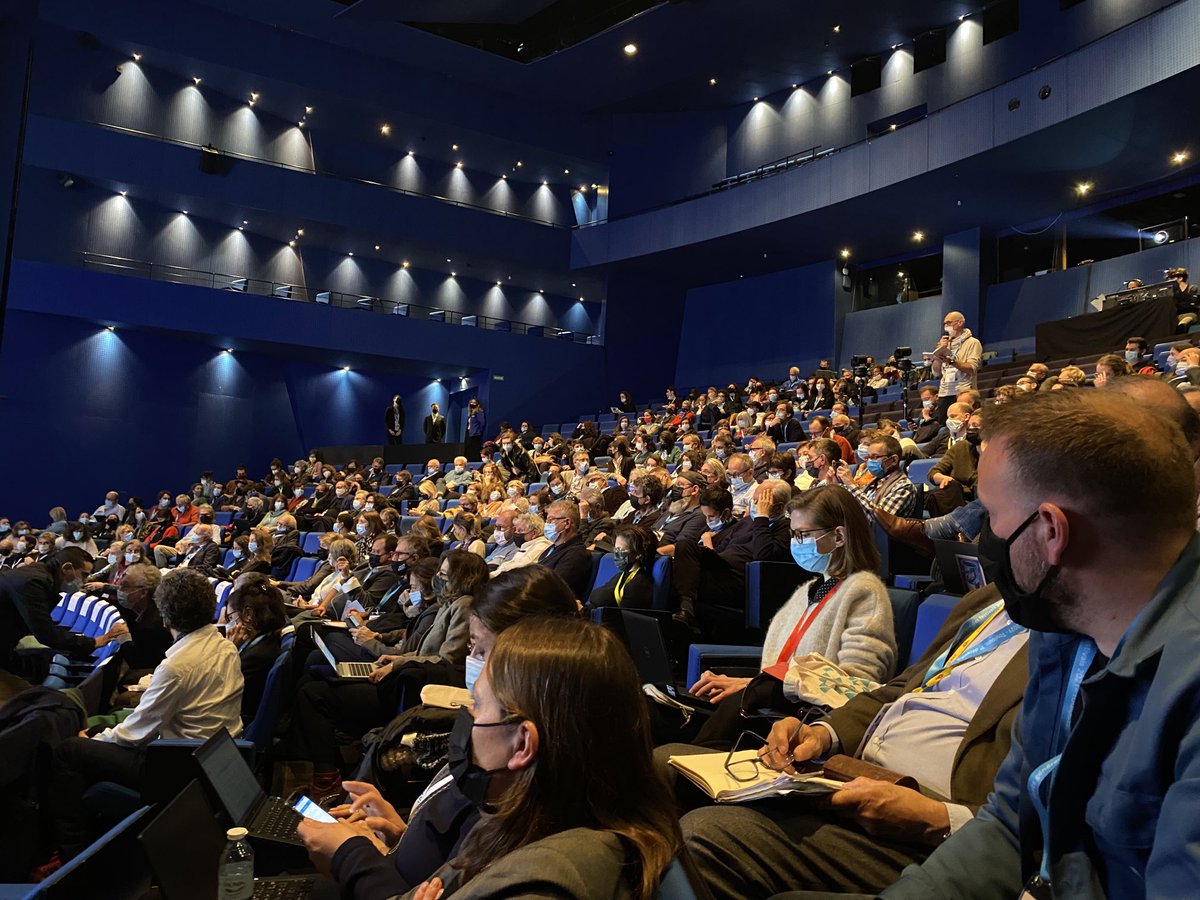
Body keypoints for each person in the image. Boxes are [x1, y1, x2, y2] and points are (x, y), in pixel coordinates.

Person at [878, 388, 1200, 898]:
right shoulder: (1065, 638)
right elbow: (1011, 824)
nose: (985, 538)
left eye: (989, 515)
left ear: (1051, 530)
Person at [299, 615, 681, 900]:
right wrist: (400, 841)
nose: (467, 717)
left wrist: (350, 854)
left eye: (479, 706)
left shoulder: (541, 880)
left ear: (522, 745)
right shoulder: (541, 816)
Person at [678, 485, 896, 749]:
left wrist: (755, 686)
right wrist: (750, 682)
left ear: (838, 536)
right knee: (679, 702)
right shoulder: (809, 589)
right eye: (793, 534)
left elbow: (857, 685)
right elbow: (782, 664)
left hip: (797, 721)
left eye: (803, 534)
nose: (796, 543)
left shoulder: (865, 591)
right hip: (771, 700)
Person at [51, 569, 243, 857]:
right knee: (92, 741)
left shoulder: (177, 666)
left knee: (70, 749)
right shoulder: (225, 646)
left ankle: (72, 852)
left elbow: (134, 734)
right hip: (216, 756)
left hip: (178, 766)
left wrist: (94, 738)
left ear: (165, 616)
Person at [671, 482, 791, 633]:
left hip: (739, 578)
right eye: (753, 500)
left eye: (759, 502)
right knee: (685, 545)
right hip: (722, 566)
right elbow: (723, 549)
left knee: (677, 578)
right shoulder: (747, 522)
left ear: (779, 507)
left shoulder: (786, 529)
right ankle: (686, 607)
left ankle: (685, 610)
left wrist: (762, 518)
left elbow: (762, 555)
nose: (753, 505)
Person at [0, 548, 122, 673]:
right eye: (84, 574)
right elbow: (45, 633)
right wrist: (94, 642)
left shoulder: (40, 574)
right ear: (66, 568)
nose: (85, 581)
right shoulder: (33, 583)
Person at [224, 573, 288, 722]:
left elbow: (221, 690)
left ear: (247, 615)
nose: (229, 624)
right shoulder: (267, 639)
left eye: (230, 618)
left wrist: (230, 650)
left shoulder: (256, 657)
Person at [838, 434, 918, 518]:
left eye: (875, 457)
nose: (869, 461)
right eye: (868, 457)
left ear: (894, 460)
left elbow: (878, 519)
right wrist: (835, 483)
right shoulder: (876, 481)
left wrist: (851, 484)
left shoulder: (904, 486)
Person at [929, 311, 983, 421]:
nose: (946, 326)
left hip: (963, 391)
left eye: (949, 323)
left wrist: (952, 362)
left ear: (960, 323)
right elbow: (936, 372)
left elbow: (972, 368)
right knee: (944, 425)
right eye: (945, 324)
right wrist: (939, 351)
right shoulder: (944, 343)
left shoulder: (973, 343)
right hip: (945, 392)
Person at [589, 524, 657, 610]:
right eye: (615, 549)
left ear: (638, 554)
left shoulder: (638, 584)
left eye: (621, 550)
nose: (616, 554)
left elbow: (624, 619)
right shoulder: (621, 575)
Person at [535, 500, 594, 599]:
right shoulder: (552, 548)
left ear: (567, 523)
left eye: (550, 520)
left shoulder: (577, 554)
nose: (546, 524)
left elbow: (554, 588)